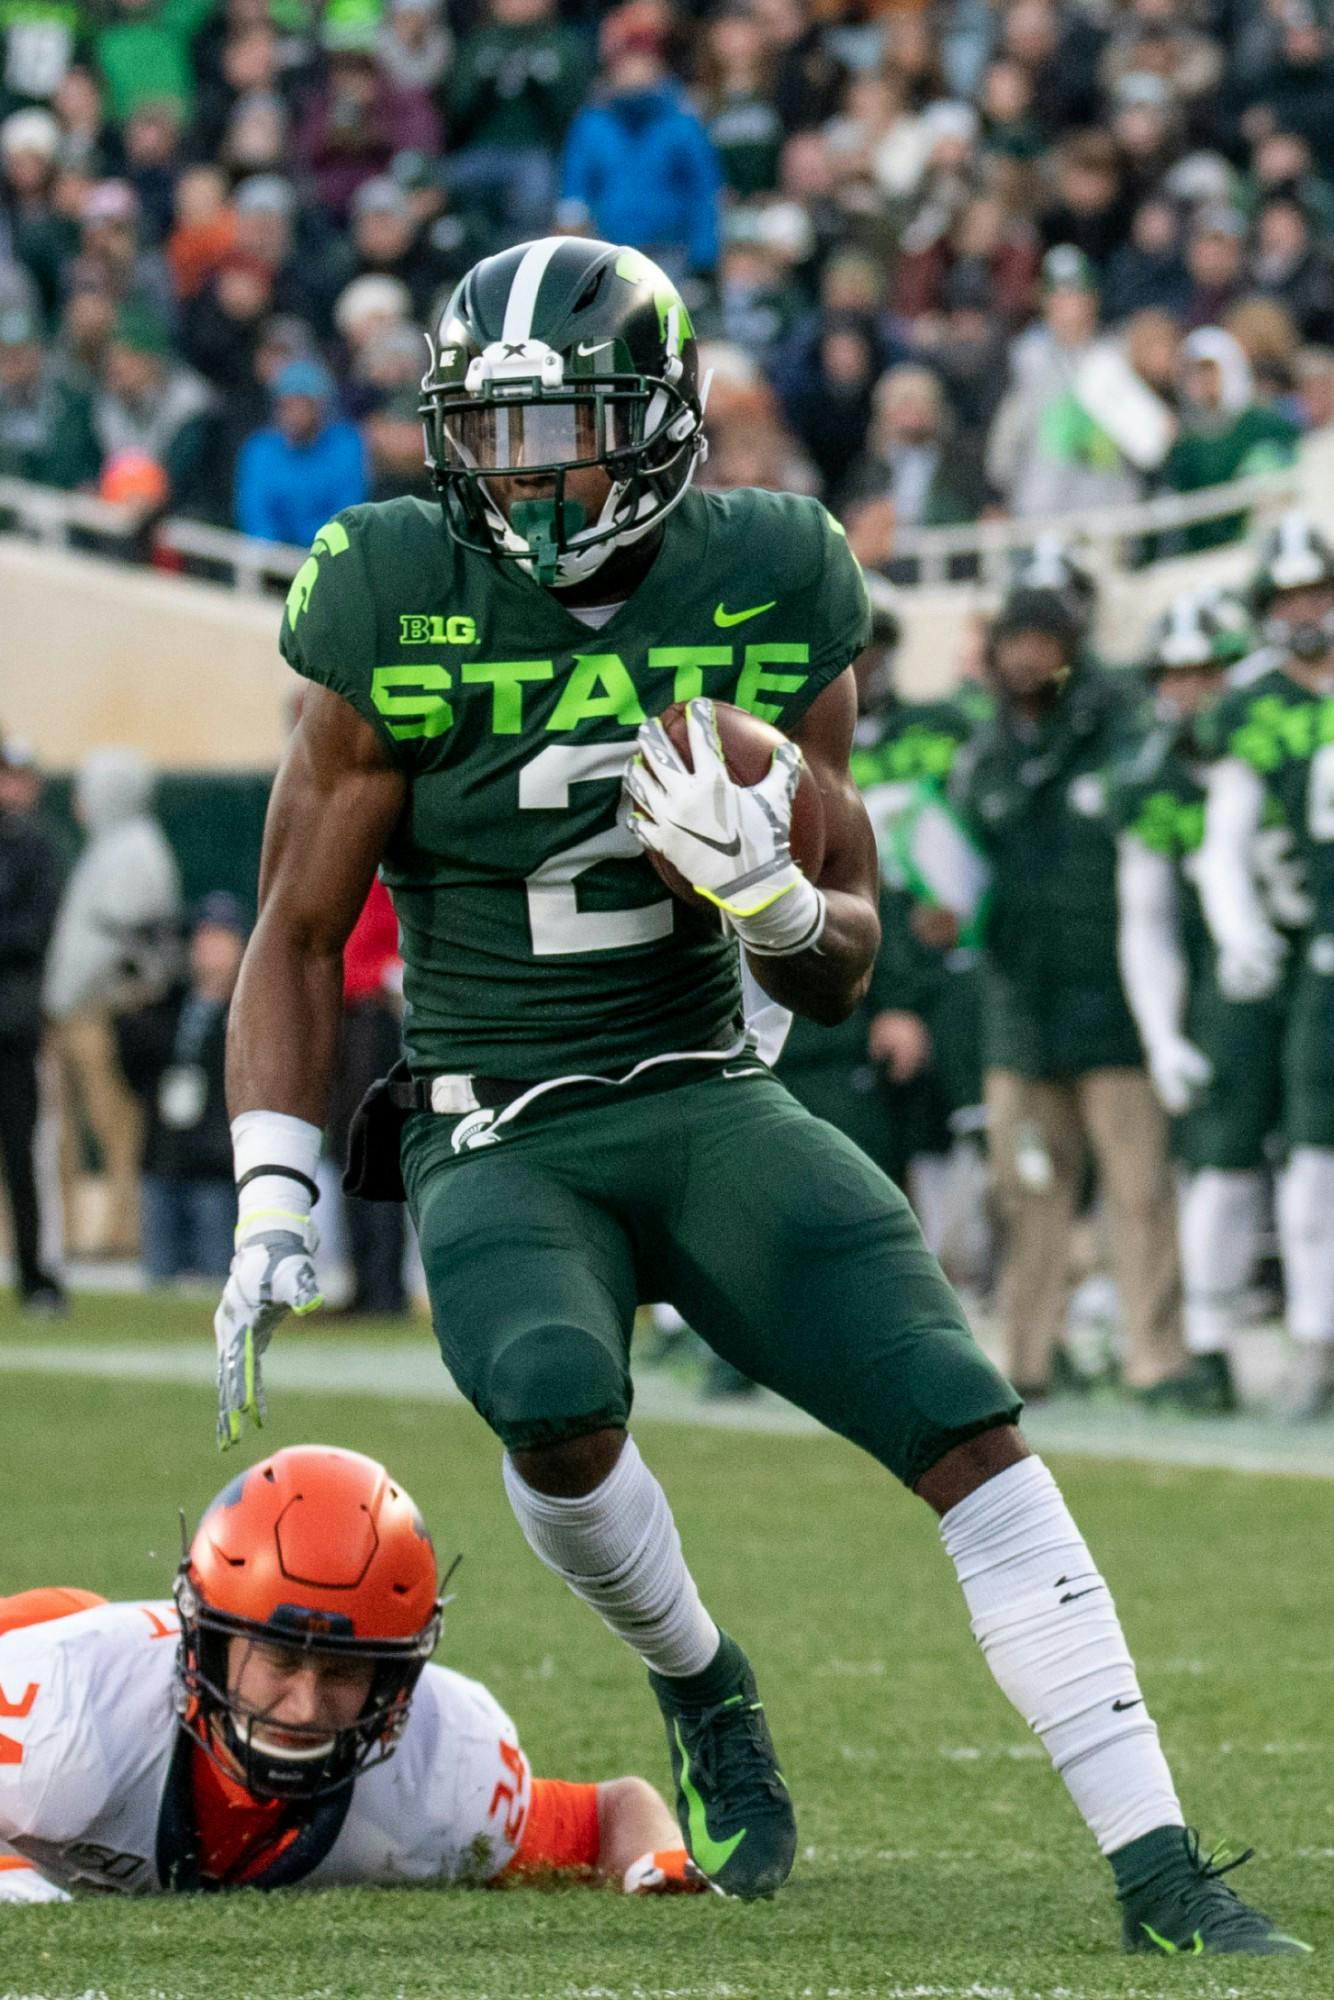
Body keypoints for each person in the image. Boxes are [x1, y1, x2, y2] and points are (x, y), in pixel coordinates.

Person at [213, 237, 1303, 1954]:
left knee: (967, 1423)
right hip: (499, 1111)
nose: (521, 472)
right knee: (557, 1398)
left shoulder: (773, 572)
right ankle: (698, 1679)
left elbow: (842, 958)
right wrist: (275, 1184)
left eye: (560, 429)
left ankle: (1158, 1865)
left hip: (708, 1085)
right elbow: (292, 928)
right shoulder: (386, 589)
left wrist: (780, 906)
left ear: (655, 427)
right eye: (489, 435)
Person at [0, 1444, 703, 1902]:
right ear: (205, 1645)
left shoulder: (443, 1766)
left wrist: (658, 1864)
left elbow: (610, 1814)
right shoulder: (64, 1710)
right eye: (279, 1659)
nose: (304, 1707)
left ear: (395, 1679)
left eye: (342, 1671)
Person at [945, 585, 1194, 1407]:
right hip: (1020, 1015)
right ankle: (1028, 1357)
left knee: (1140, 1190)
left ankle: (1156, 1360)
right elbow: (957, 877)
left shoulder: (1121, 732)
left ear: (1071, 648)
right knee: (1027, 1195)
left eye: (1042, 643)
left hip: (1116, 1010)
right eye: (1016, 642)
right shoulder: (981, 754)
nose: (1028, 659)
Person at [1110, 592, 1276, 1412]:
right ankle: (1209, 1349)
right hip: (1224, 990)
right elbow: (1146, 923)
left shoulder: (1292, 735)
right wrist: (1163, 1034)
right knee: (1223, 1168)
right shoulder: (1150, 778)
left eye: (1207, 674)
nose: (1193, 693)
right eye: (1176, 678)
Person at [1197, 514, 1334, 1419]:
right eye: (1287, 598)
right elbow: (1222, 845)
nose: (1304, 611)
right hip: (1315, 956)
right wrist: (1240, 928)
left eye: (1315, 592)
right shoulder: (1249, 704)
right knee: (1313, 1156)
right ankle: (1319, 1345)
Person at [43, 746, 181, 1260]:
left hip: (105, 1011)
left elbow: (111, 943)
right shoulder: (107, 847)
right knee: (68, 1131)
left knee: (117, 1127)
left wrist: (62, 996)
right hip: (78, 1011)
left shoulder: (135, 850)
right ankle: (71, 1232)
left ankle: (124, 1232)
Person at [115, 892, 249, 1287]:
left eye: (220, 938)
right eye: (203, 937)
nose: (208, 948)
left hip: (216, 1166)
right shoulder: (169, 1005)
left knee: (214, 1281)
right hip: (164, 1157)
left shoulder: (249, 1009)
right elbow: (133, 1067)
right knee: (158, 1281)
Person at [0, 739, 65, 1314]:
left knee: (22, 1157)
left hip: (12, 1026)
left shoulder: (36, 848)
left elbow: (31, 932)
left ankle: (35, 1275)